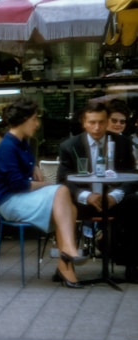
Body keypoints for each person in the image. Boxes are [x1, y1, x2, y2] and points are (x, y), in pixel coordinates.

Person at [0, 97, 87, 288]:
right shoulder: (7, 146)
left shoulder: (22, 143)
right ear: (24, 119)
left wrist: (34, 166)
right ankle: (69, 252)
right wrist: (45, 185)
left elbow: (24, 169)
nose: (37, 124)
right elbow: (18, 184)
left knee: (70, 208)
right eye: (34, 119)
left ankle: (66, 266)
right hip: (10, 202)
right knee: (61, 192)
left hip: (23, 197)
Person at [58, 101, 138, 282]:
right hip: (83, 203)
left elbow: (133, 176)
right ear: (84, 123)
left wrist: (115, 196)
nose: (97, 127)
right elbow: (63, 180)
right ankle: (64, 266)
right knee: (63, 206)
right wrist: (86, 196)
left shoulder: (122, 143)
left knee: (134, 203)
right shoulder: (70, 146)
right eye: (92, 122)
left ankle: (132, 265)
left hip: (113, 200)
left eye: (102, 122)